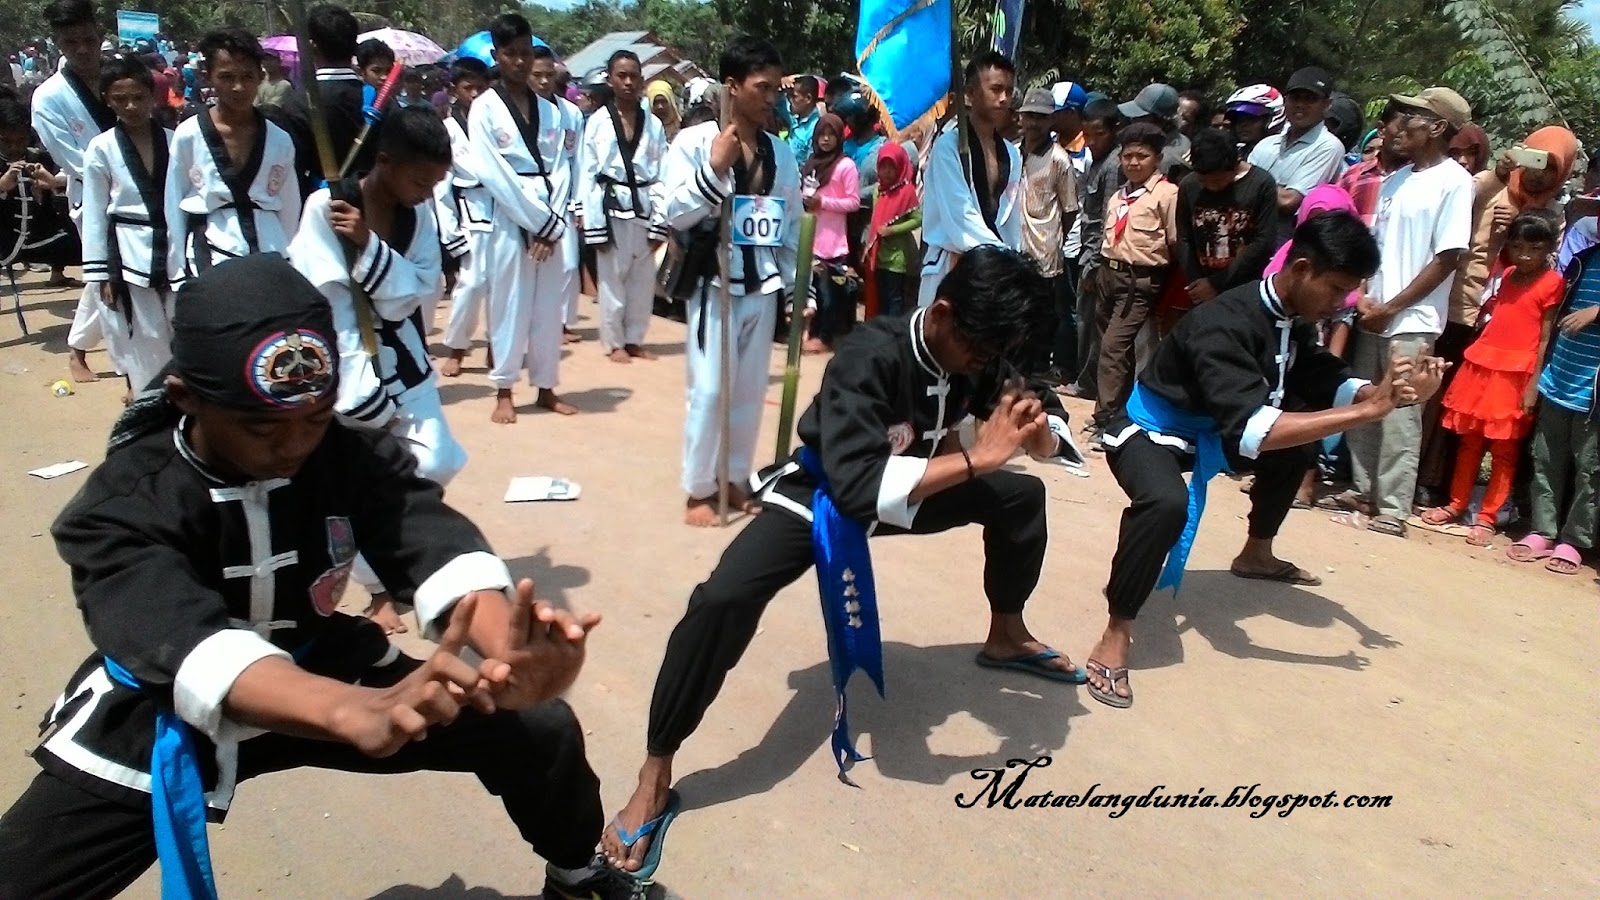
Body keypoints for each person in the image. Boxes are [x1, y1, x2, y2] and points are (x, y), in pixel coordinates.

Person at [0, 253, 644, 900]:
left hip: (323, 663)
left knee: (539, 728)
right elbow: (182, 638)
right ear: (184, 398)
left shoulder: (346, 453)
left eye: (315, 419)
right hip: (169, 708)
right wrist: (347, 711)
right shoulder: (123, 503)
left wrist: (512, 653)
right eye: (261, 428)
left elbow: (427, 542)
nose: (294, 446)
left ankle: (577, 876)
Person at [601, 246, 1083, 877]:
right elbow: (858, 488)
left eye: (997, 352)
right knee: (724, 598)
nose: (986, 361)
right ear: (943, 312)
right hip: (829, 494)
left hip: (917, 485)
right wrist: (980, 458)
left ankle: (1006, 633)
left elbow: (1038, 414)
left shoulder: (980, 349)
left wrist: (1037, 433)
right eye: (980, 348)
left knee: (1022, 497)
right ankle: (656, 767)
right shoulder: (869, 356)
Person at [1088, 213, 1448, 707]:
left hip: (1215, 428)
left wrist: (1384, 392)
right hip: (1152, 430)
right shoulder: (1223, 322)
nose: (1342, 302)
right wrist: (1369, 410)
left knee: (1297, 443)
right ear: (1301, 269)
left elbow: (1312, 371)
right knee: (1166, 504)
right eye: (1337, 288)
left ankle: (1255, 554)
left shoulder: (1290, 317)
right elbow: (1253, 430)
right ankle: (1117, 630)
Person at [288, 105, 469, 639]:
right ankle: (377, 587)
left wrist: (368, 247)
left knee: (436, 460)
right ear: (386, 162)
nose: (428, 193)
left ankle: (396, 549)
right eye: (420, 181)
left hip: (403, 353)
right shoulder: (327, 206)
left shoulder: (419, 217)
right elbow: (327, 298)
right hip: (344, 357)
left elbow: (417, 293)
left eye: (435, 183)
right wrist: (360, 388)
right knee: (351, 478)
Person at [658, 34, 806, 527]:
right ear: (732, 86)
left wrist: (794, 290)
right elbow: (673, 212)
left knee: (747, 391)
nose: (771, 98)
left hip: (762, 284)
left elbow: (787, 224)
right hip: (713, 283)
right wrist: (714, 169)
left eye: (777, 89)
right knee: (708, 391)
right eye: (762, 87)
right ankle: (699, 488)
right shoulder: (695, 142)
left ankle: (735, 476)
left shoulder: (780, 153)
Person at [1337, 88, 1474, 539]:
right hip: (1374, 312)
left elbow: (1447, 257)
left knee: (1400, 411)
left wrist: (1393, 307)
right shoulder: (1395, 180)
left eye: (1411, 117)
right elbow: (1373, 245)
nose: (1397, 126)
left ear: (1437, 128)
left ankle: (1393, 508)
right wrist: (1363, 296)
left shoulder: (1454, 182)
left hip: (1412, 320)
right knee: (1366, 401)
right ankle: (1362, 491)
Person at [1418, 126, 1578, 505]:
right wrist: (1499, 174)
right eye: (1535, 160)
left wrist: (1520, 223)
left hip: (1507, 329)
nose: (1538, 174)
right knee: (1441, 401)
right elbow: (1461, 200)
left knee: (1480, 417)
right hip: (1461, 307)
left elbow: (1546, 266)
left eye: (1550, 167)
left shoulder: (1556, 214)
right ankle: (1422, 477)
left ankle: (1448, 489)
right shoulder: (1491, 186)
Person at [1421, 212, 1561, 545]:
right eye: (1518, 246)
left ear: (1550, 248)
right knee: (1469, 442)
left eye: (1535, 249)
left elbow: (1545, 339)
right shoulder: (1508, 274)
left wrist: (1533, 385)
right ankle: (1456, 504)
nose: (1525, 255)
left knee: (1504, 449)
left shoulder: (1553, 282)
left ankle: (1487, 517)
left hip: (1517, 373)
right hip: (1483, 364)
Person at [470, 16, 581, 423]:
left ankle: (546, 386)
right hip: (510, 215)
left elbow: (562, 169)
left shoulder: (551, 112)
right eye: (511, 54)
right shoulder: (484, 108)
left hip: (550, 216)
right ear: (496, 56)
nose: (520, 61)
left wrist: (552, 224)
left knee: (548, 308)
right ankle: (504, 388)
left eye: (525, 53)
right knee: (509, 303)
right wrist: (539, 222)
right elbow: (492, 172)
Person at [163, 28, 301, 285]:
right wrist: (177, 268)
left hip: (271, 250)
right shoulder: (189, 135)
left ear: (260, 75)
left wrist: (291, 260)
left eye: (247, 76)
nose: (238, 87)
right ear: (208, 76)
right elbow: (174, 201)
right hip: (211, 251)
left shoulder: (280, 140)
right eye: (226, 77)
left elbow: (290, 208)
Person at [81, 54, 175, 399]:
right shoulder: (101, 147)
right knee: (145, 333)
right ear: (107, 99)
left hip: (174, 247)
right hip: (128, 250)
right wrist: (102, 273)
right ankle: (150, 400)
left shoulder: (175, 140)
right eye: (120, 99)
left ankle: (185, 398)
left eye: (138, 97)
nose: (131, 106)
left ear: (152, 96)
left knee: (181, 324)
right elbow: (95, 213)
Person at [33, 0, 115, 384]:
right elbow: (73, 159)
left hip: (146, 187)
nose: (82, 49)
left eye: (88, 40)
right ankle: (78, 351)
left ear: (100, 35)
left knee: (129, 270)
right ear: (58, 43)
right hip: (95, 196)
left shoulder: (119, 76)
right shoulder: (49, 97)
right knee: (104, 271)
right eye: (71, 42)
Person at [1511, 238, 1600, 574]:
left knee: (1589, 469)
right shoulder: (1583, 259)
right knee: (1546, 458)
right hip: (1559, 378)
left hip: (1593, 393)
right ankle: (1543, 530)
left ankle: (1575, 539)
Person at [581, 49, 670, 364]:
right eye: (622, 76)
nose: (629, 82)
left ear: (642, 80)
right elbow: (587, 174)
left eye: (634, 76)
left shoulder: (654, 125)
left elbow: (663, 174)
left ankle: (634, 338)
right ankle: (614, 341)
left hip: (645, 205)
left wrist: (661, 221)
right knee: (612, 276)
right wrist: (592, 222)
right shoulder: (598, 122)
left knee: (642, 279)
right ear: (610, 80)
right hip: (610, 206)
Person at [1090, 122, 1179, 434]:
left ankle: (1105, 418)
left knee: (1113, 347)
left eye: (1142, 156)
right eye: (1127, 156)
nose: (1133, 163)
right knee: (1114, 348)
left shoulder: (1167, 194)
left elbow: (1174, 242)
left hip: (1139, 280)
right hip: (1109, 273)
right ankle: (1120, 411)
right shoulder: (1120, 195)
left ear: (1157, 159)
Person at [917, 51, 1022, 308]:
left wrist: (1014, 260)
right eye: (995, 89)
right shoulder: (948, 147)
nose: (1004, 98)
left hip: (994, 272)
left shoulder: (1012, 154)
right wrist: (1005, 258)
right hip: (953, 265)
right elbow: (960, 218)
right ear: (971, 93)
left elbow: (1010, 220)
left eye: (1009, 91)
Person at [267, 4, 373, 198]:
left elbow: (294, 171)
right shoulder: (383, 101)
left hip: (321, 206)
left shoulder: (297, 104)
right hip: (377, 206)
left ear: (312, 46)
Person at [1016, 87, 1080, 381]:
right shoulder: (1012, 151)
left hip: (1044, 249)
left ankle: (1038, 371)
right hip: (1013, 245)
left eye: (1041, 117)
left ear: (1051, 120)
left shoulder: (1059, 159)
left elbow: (1070, 209)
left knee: (1041, 314)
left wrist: (1054, 238)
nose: (1033, 123)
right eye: (1029, 116)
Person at [527, 42, 588, 349]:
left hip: (563, 200)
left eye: (548, 75)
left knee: (568, 264)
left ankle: (561, 322)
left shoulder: (571, 113)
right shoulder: (521, 112)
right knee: (531, 267)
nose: (543, 81)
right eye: (537, 75)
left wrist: (579, 203)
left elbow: (578, 160)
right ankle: (529, 323)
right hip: (530, 202)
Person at [438, 57, 494, 378]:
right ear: (453, 90)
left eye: (480, 88)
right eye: (467, 87)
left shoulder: (497, 122)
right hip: (469, 212)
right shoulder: (448, 129)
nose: (474, 94)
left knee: (503, 285)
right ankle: (457, 348)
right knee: (471, 284)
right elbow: (441, 187)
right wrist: (451, 233)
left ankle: (497, 345)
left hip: (503, 210)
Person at [1065, 95, 1122, 403]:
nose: (1091, 141)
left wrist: (1094, 264)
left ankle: (1088, 383)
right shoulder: (1097, 161)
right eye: (1086, 135)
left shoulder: (1113, 165)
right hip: (1088, 251)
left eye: (1098, 134)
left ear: (1113, 130)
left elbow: (1108, 219)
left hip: (1097, 258)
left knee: (1090, 323)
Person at [1248, 67, 1346, 233]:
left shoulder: (1329, 147)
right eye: (1294, 98)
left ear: (1327, 105)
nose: (1300, 105)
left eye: (1310, 99)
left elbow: (1288, 202)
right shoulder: (1266, 144)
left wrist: (1250, 181)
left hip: (1290, 241)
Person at [0, 98, 80, 284]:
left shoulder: (40, 159)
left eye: (20, 140)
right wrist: (2, 185)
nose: (14, 147)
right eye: (5, 141)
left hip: (35, 239)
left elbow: (72, 179)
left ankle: (57, 273)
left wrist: (52, 183)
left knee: (83, 241)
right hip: (2, 238)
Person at [800, 111, 860, 352]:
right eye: (821, 134)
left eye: (831, 135)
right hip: (809, 236)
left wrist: (823, 202)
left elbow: (854, 202)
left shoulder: (845, 165)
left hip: (833, 241)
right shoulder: (811, 164)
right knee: (810, 291)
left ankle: (826, 337)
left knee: (830, 295)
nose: (825, 139)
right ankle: (810, 333)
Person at [863, 140, 920, 319]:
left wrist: (892, 230)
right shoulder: (878, 190)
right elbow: (875, 219)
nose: (887, 171)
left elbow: (918, 219)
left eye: (892, 167)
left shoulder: (906, 192)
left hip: (896, 258)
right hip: (877, 255)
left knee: (894, 299)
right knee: (879, 298)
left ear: (900, 167)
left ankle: (892, 330)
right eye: (883, 166)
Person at [1119, 82, 1189, 179]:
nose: (1133, 121)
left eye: (1139, 117)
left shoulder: (1166, 159)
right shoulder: (1177, 140)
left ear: (1161, 120)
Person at [1222, 84, 1283, 157]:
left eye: (1251, 118)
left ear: (1271, 118)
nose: (1242, 125)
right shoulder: (1231, 154)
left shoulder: (1284, 154)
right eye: (1237, 119)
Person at [781, 73, 820, 161]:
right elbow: (779, 104)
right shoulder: (794, 119)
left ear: (808, 98)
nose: (790, 100)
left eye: (794, 96)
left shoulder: (816, 128)